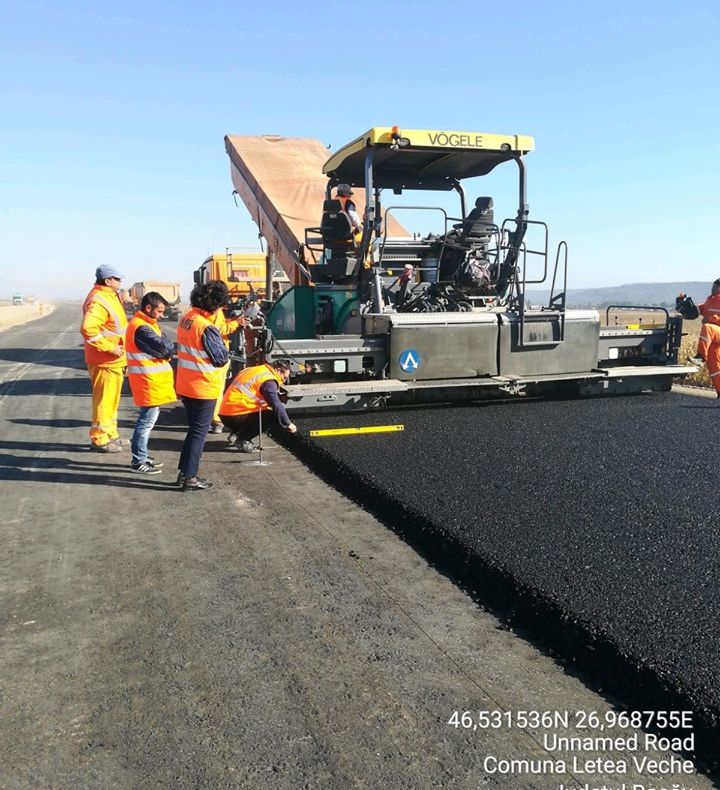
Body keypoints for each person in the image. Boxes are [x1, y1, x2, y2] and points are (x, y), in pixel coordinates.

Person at [175, 281, 230, 490]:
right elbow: (220, 358)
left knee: (193, 431)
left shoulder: (186, 320)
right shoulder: (206, 327)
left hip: (186, 384)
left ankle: (184, 473)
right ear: (215, 305)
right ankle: (190, 477)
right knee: (199, 433)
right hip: (203, 386)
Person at [125, 292, 176, 474]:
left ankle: (142, 455)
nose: (162, 315)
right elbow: (165, 347)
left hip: (152, 381)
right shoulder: (141, 328)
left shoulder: (148, 325)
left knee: (147, 421)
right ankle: (138, 461)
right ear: (148, 308)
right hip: (147, 381)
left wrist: (167, 349)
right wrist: (167, 350)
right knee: (145, 422)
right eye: (160, 311)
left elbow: (167, 344)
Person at [81, 264, 128, 452]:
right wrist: (110, 348)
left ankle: (111, 435)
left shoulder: (110, 296)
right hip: (104, 360)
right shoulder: (99, 300)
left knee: (112, 401)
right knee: (103, 401)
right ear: (108, 281)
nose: (120, 281)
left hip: (113, 361)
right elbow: (88, 329)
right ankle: (100, 439)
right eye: (117, 279)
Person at [219, 360, 297, 452]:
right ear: (278, 370)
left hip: (226, 413)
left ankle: (236, 433)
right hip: (236, 415)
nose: (283, 381)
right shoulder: (268, 380)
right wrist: (288, 424)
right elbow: (276, 405)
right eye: (284, 377)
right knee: (272, 416)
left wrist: (280, 397)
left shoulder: (254, 370)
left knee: (264, 410)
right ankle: (242, 438)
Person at [208, 307, 246, 434]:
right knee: (217, 390)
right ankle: (216, 422)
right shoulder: (216, 310)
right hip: (217, 356)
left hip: (210, 357)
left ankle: (209, 419)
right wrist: (237, 324)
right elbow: (218, 329)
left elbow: (218, 325)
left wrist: (232, 320)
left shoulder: (196, 313)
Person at [684, 279, 720, 397]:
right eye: (713, 286)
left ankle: (700, 357)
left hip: (716, 331)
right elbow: (701, 309)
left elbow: (710, 319)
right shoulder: (710, 300)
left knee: (707, 327)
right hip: (715, 337)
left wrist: (711, 319)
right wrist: (687, 308)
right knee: (713, 365)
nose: (713, 288)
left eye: (716, 287)